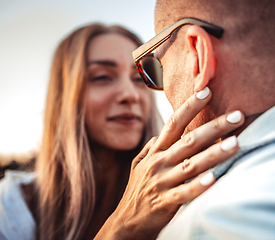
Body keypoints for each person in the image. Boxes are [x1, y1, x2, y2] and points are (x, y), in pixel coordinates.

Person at [132, 0, 275, 239]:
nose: (163, 89)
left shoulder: (213, 221)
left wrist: (121, 231)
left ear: (198, 54)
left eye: (159, 66)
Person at [0, 23, 245, 240]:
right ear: (64, 96)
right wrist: (121, 229)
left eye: (139, 78)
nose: (130, 95)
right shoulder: (10, 209)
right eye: (103, 77)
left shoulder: (180, 189)